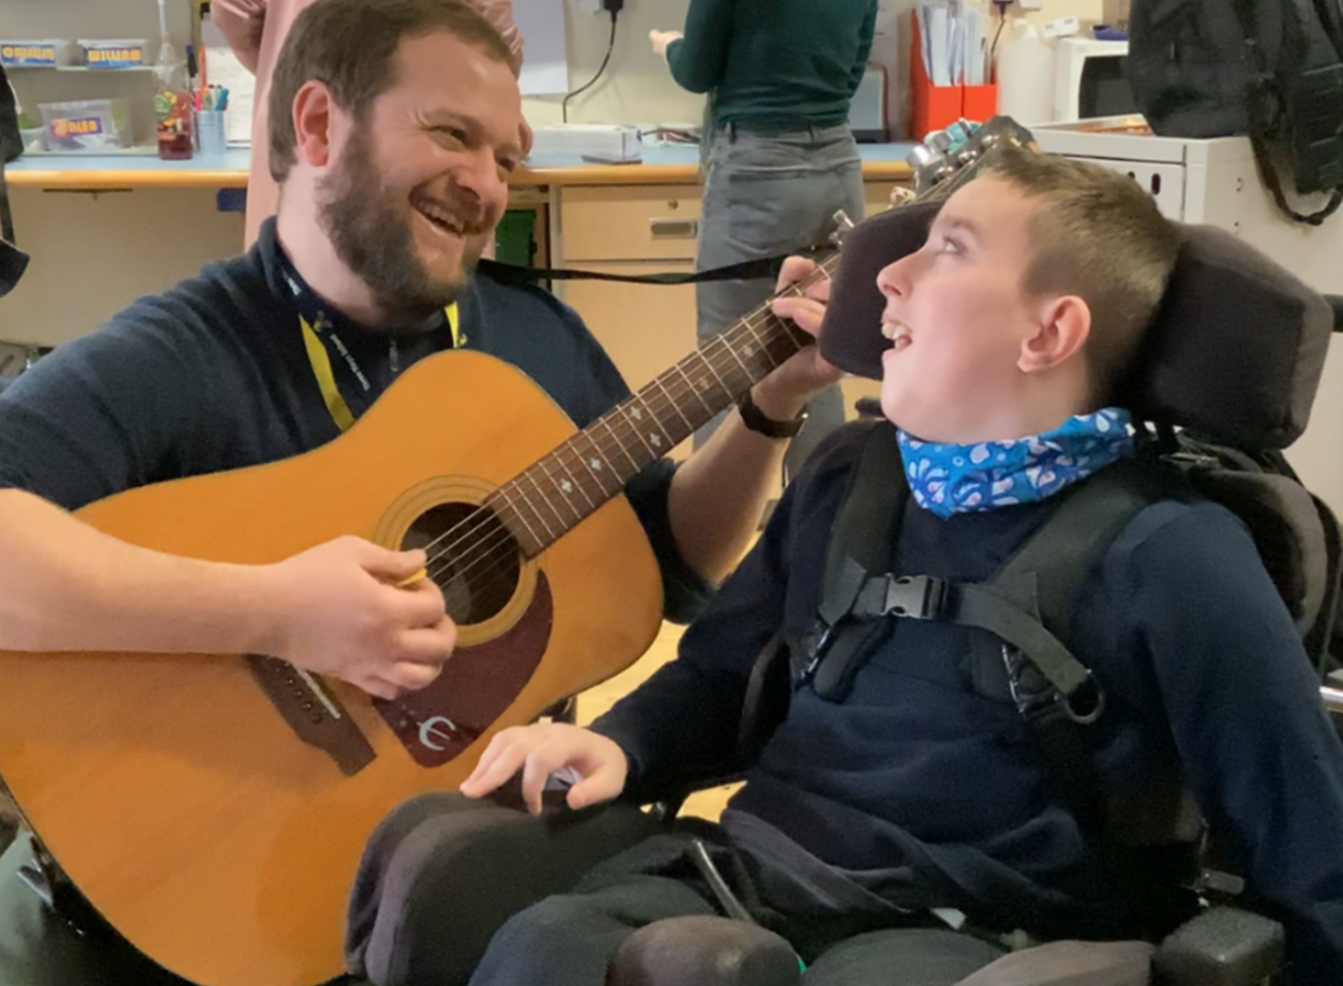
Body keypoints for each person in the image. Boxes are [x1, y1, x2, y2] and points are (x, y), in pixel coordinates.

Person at [410, 148, 1343, 985]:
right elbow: (723, 672)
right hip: (753, 873)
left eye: (948, 249)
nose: (886, 276)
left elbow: (1308, 849)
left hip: (982, 935)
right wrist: (622, 743)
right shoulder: (852, 476)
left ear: (1047, 334)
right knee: (539, 939)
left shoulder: (1169, 550)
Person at [0, 0, 839, 707]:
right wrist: (273, 612)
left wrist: (768, 407)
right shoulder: (188, 351)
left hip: (481, 824)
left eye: (505, 157)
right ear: (321, 126)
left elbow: (671, 557)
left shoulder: (534, 336)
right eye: (450, 135)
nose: (487, 185)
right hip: (233, 847)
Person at [649, 0, 878, 483]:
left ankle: (704, 543)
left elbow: (696, 70)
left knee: (724, 361)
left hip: (759, 168)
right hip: (838, 165)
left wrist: (670, 46)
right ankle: (820, 529)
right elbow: (853, 73)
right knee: (816, 348)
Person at [212, 0, 524, 248]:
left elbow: (235, 15)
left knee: (291, 293)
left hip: (308, 130)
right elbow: (497, 46)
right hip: (433, 172)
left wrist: (298, 73)